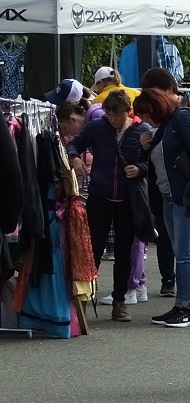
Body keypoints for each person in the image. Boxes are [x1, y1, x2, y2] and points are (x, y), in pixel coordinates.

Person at [66, 90, 150, 322]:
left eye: (117, 115)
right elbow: (75, 145)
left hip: (128, 198)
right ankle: (84, 299)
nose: (113, 119)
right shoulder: (97, 127)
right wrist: (74, 157)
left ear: (127, 112)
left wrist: (141, 169)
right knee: (92, 250)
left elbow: (152, 161)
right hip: (100, 196)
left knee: (124, 253)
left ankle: (119, 302)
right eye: (109, 114)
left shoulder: (141, 131)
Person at [132, 88, 190, 327]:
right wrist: (145, 146)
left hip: (183, 198)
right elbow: (154, 158)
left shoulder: (182, 118)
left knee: (185, 253)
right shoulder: (167, 124)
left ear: (157, 108)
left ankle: (189, 308)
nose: (145, 121)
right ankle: (181, 306)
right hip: (170, 196)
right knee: (181, 253)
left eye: (146, 115)